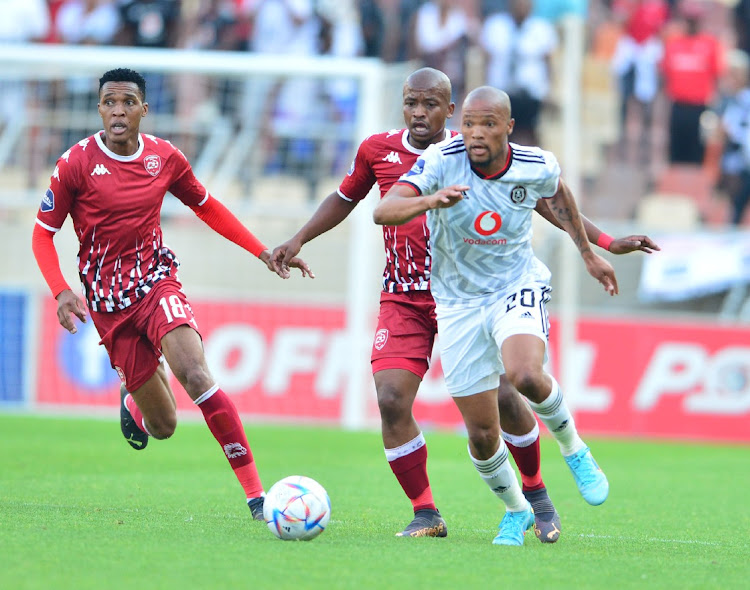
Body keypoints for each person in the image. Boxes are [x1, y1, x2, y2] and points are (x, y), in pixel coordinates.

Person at [273, 68, 659, 542]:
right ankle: (428, 512)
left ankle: (540, 492)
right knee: (396, 400)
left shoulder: (473, 147)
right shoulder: (386, 151)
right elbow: (351, 199)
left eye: (430, 104)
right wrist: (298, 238)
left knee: (512, 391)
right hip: (412, 295)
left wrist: (597, 245)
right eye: (411, 103)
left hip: (490, 289)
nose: (419, 113)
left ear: (450, 110)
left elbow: (543, 197)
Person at [31, 68, 312, 521]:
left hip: (155, 282)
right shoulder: (76, 164)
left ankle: (257, 497)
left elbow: (206, 205)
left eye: (127, 102)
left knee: (197, 375)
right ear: (100, 108)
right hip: (107, 304)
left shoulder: (164, 157)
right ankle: (134, 398)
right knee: (163, 427)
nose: (117, 110)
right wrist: (62, 291)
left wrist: (261, 250)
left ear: (144, 108)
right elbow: (42, 235)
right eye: (109, 102)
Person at [372, 85, 623, 546]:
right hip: (457, 302)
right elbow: (383, 211)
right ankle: (516, 509)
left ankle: (574, 449)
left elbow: (560, 196)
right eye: (469, 123)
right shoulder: (442, 161)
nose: (475, 133)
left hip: (515, 284)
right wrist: (431, 200)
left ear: (508, 127)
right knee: (484, 432)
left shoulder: (536, 163)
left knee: (525, 375)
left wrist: (590, 253)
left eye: (488, 124)